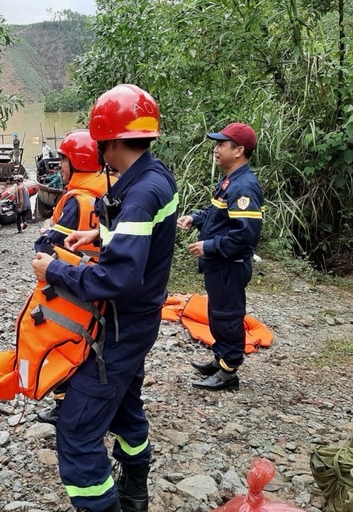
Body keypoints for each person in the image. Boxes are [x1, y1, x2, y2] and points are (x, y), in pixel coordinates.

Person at [32, 84, 178, 512]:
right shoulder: (154, 176)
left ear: (109, 140)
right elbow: (144, 240)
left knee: (76, 431)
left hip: (120, 326)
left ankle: (106, 503)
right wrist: (100, 234)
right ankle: (135, 488)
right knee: (125, 407)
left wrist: (54, 269)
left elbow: (119, 278)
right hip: (138, 322)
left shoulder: (139, 193)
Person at [177, 122, 263, 392]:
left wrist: (209, 246)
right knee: (217, 314)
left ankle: (229, 371)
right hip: (219, 265)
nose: (215, 149)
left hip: (230, 264)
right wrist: (196, 218)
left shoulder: (244, 188)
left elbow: (244, 235)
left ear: (239, 150)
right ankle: (221, 357)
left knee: (227, 316)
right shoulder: (229, 181)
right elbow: (216, 213)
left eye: (221, 145)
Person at [33, 129, 109, 425]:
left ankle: (64, 404)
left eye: (63, 161)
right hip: (98, 281)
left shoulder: (76, 199)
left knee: (64, 339)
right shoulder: (110, 189)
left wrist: (42, 237)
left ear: (77, 161)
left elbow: (48, 244)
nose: (59, 167)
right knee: (93, 341)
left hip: (70, 283)